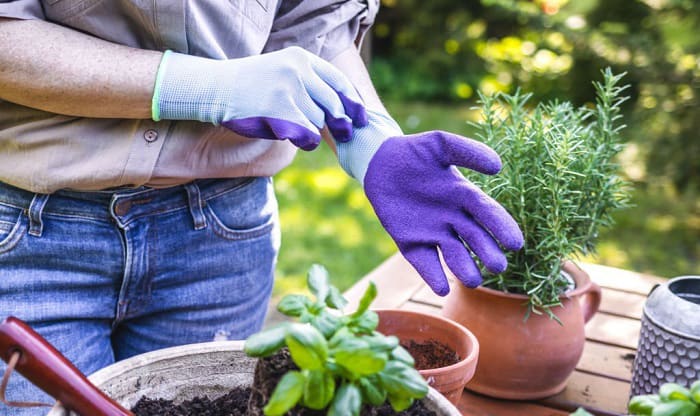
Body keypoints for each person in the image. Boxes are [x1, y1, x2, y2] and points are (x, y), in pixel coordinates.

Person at [0, 1, 523, 414]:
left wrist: (368, 138)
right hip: (34, 235)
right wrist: (206, 87)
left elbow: (315, 19)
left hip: (221, 233)